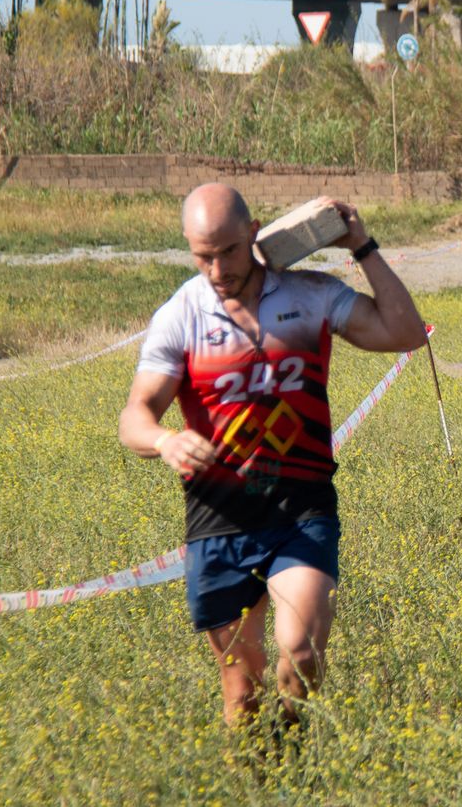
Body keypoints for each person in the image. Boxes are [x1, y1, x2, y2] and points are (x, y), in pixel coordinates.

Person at [119, 184, 426, 728]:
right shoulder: (181, 315)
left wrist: (362, 246)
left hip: (300, 510)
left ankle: (293, 752)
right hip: (219, 520)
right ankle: (268, 778)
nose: (217, 269)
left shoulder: (309, 295)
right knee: (241, 691)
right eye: (202, 256)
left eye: (229, 252)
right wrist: (165, 440)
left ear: (254, 232)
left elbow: (404, 332)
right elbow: (134, 418)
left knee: (301, 655)